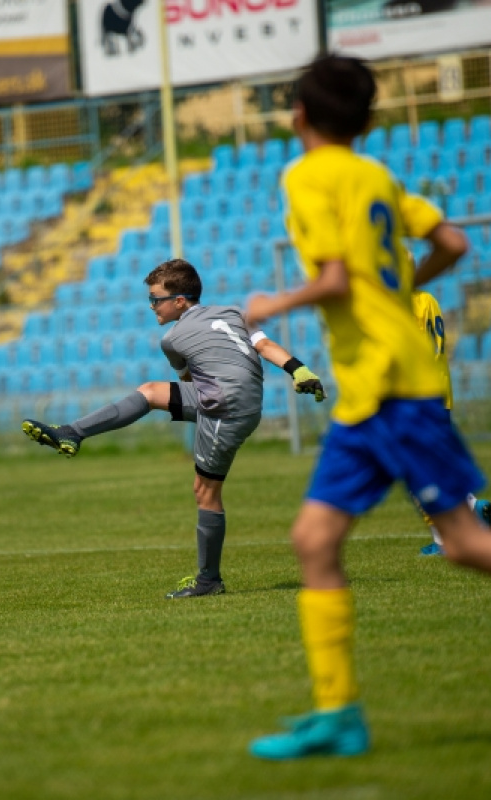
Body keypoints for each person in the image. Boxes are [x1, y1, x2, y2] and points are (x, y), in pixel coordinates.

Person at [244, 54, 491, 761]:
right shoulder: (377, 176)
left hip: (397, 390)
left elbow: (334, 278)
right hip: (370, 393)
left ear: (298, 116)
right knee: (313, 542)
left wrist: (276, 303)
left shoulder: (308, 175)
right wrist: (402, 286)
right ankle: (338, 716)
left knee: (466, 544)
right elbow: (453, 241)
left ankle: (338, 714)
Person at [21, 258, 327, 598]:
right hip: (245, 402)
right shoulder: (234, 313)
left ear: (179, 300)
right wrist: (299, 370)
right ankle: (72, 432)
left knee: (205, 491)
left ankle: (209, 580)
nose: (152, 306)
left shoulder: (173, 339)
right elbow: (265, 347)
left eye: (156, 299)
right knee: (151, 391)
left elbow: (188, 380)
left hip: (224, 409)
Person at [411, 287, 491, 555]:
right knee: (431, 466)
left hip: (414, 397)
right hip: (440, 392)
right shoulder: (427, 298)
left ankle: (453, 530)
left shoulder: (398, 305)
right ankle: (467, 514)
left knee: (417, 471)